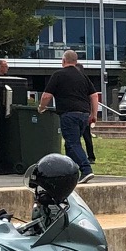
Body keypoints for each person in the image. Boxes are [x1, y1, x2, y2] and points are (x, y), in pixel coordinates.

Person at [40, 50, 100, 178]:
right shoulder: (83, 76)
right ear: (76, 61)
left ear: (63, 61)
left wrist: (41, 107)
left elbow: (46, 96)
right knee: (70, 144)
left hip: (69, 114)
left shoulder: (58, 75)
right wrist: (94, 115)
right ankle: (70, 172)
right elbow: (94, 95)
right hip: (84, 114)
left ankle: (86, 169)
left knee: (73, 144)